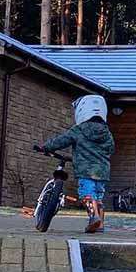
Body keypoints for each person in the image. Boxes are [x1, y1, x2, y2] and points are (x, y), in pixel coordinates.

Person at [41, 95, 115, 233]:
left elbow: (62, 140)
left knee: (87, 194)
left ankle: (94, 218)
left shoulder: (79, 129)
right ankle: (99, 224)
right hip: (102, 171)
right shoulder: (106, 132)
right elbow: (111, 149)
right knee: (98, 196)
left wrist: (46, 147)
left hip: (86, 171)